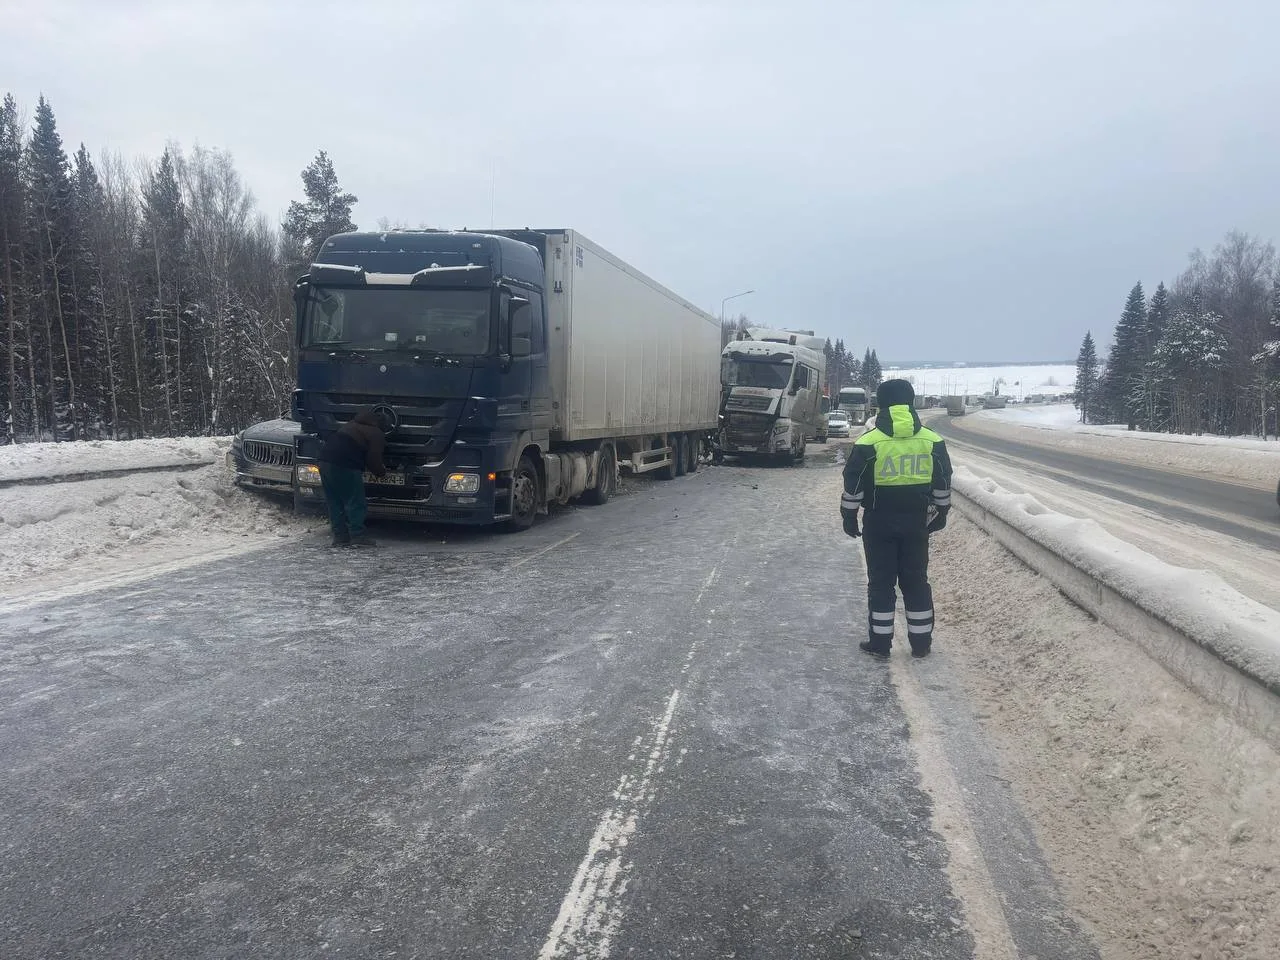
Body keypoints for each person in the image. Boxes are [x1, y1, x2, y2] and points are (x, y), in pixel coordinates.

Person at [840, 379, 952, 659]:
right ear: (911, 403)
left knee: (881, 583)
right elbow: (943, 483)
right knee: (916, 582)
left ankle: (880, 643)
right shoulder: (932, 441)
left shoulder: (868, 443)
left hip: (879, 524)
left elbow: (853, 487)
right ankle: (921, 644)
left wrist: (849, 517)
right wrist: (941, 512)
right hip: (916, 524)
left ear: (881, 405)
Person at [318, 408, 389, 547]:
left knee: (334, 500)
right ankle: (358, 536)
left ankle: (340, 537)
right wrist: (382, 473)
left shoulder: (351, 424)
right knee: (355, 500)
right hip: (346, 464)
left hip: (324, 461)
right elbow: (373, 459)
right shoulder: (376, 433)